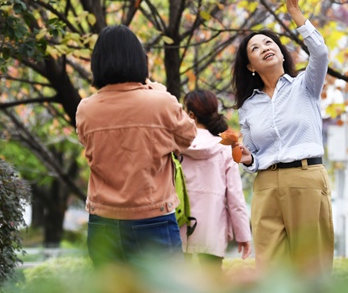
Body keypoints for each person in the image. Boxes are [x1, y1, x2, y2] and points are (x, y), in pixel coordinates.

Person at [231, 0, 333, 275]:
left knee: (310, 268)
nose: (264, 47)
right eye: (255, 48)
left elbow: (321, 52)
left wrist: (295, 12)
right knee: (270, 268)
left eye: (269, 42)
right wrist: (244, 155)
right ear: (250, 66)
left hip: (306, 177)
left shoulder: (306, 85)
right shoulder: (248, 106)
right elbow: (251, 155)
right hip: (266, 185)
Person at [75, 25, 197, 267]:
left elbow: (87, 143)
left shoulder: (85, 109)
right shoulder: (160, 101)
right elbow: (187, 136)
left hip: (102, 220)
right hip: (153, 217)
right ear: (140, 61)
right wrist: (154, 88)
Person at [179, 89, 252, 270]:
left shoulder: (176, 148)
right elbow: (235, 197)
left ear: (191, 115)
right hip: (212, 230)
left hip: (179, 227)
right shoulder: (225, 149)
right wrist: (243, 235)